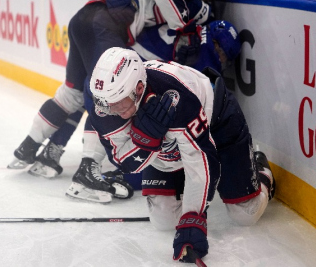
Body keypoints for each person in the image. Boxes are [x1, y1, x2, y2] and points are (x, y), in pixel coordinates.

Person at [86, 47, 276, 262]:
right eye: (105, 103)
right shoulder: (103, 107)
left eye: (118, 101)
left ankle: (261, 172)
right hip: (170, 147)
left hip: (218, 123)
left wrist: (193, 216)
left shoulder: (177, 98)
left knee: (245, 214)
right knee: (163, 219)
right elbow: (127, 164)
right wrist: (145, 140)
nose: (111, 109)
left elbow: (201, 158)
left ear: (139, 89)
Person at [7, 0, 207, 189]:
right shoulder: (190, 6)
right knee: (104, 96)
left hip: (83, 18)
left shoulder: (191, 4)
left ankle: (30, 146)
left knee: (72, 95)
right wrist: (184, 29)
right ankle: (87, 169)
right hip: (104, 26)